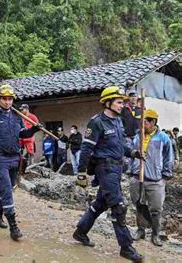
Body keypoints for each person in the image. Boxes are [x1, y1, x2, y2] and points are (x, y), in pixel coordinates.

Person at [74, 86, 145, 262]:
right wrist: (81, 172)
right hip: (104, 169)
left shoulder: (118, 122)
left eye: (123, 102)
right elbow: (86, 148)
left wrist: (134, 153)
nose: (123, 105)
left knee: (100, 204)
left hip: (117, 169)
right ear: (108, 102)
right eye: (119, 102)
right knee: (118, 207)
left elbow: (121, 147)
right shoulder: (97, 122)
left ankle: (80, 232)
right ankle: (126, 247)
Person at [0, 84, 42, 241]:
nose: (7, 102)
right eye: (4, 99)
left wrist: (34, 129)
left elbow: (22, 133)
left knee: (9, 188)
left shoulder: (16, 115)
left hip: (15, 157)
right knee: (6, 191)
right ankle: (13, 227)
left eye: (10, 99)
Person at [130, 109, 174, 247]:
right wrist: (131, 171)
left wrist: (165, 176)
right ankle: (140, 230)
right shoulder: (138, 137)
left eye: (145, 123)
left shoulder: (163, 138)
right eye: (141, 123)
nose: (142, 126)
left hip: (155, 180)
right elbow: (130, 153)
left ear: (153, 122)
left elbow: (169, 158)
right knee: (139, 205)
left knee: (156, 209)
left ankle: (155, 234)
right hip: (137, 177)